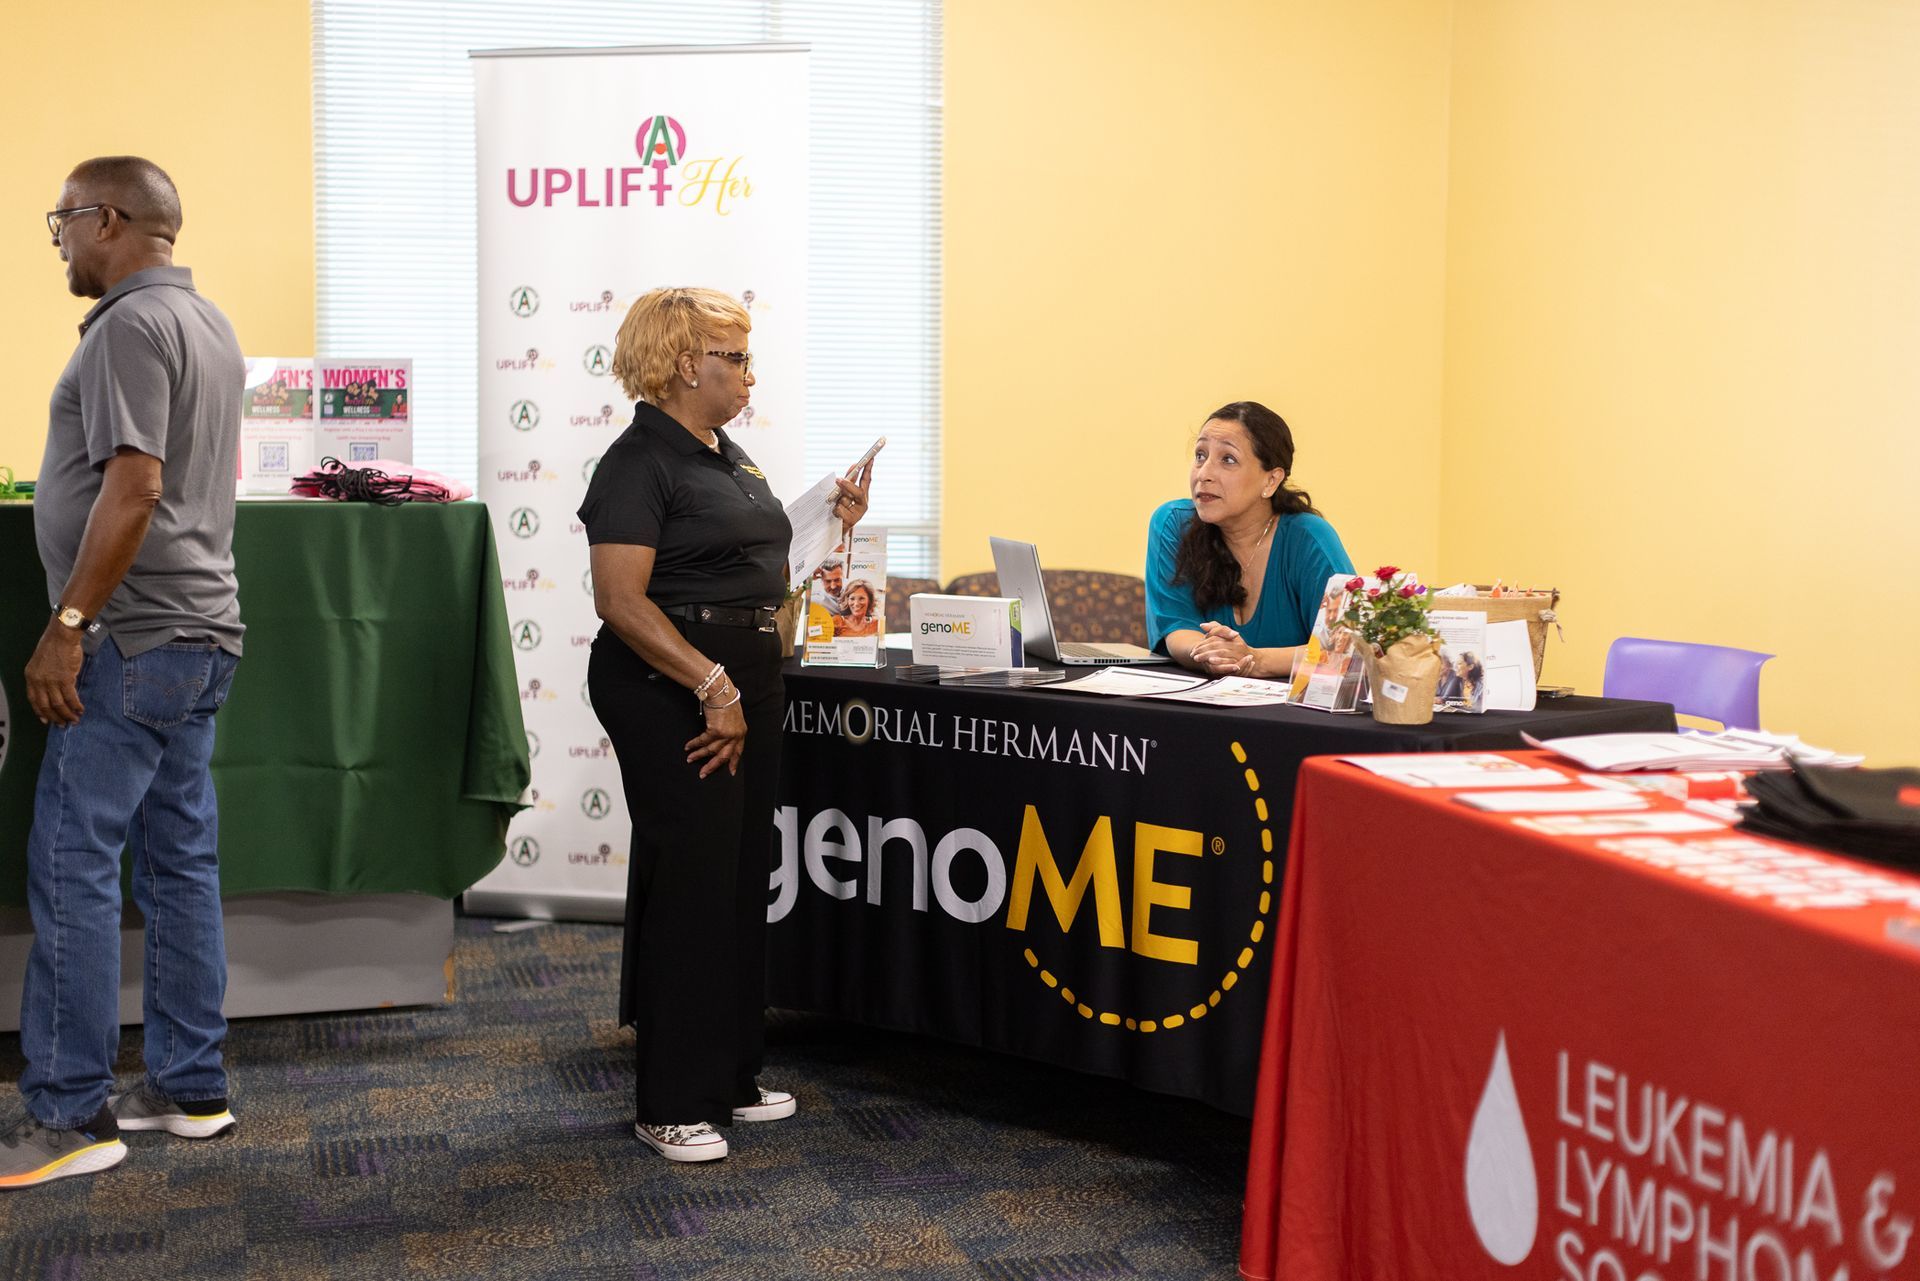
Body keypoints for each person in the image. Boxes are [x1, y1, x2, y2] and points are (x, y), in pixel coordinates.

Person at [579, 287, 871, 1163]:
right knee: (692, 884)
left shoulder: (730, 456)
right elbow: (621, 600)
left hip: (746, 680)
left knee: (743, 880)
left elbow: (761, 572)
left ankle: (732, 1074)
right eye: (734, 357)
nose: (749, 373)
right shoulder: (637, 462)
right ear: (681, 363)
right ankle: (669, 1097)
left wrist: (829, 528)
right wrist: (711, 684)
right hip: (668, 687)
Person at [1, 157, 245, 1190]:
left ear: (108, 219)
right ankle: (191, 1087)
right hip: (196, 637)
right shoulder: (207, 321)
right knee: (179, 861)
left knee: (74, 862)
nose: (57, 237)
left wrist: (68, 622)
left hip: (132, 641)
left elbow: (135, 486)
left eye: (64, 219)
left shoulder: (129, 329)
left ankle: (66, 1113)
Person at [1145, 401, 1355, 679]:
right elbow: (1176, 627)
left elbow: (1345, 648)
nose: (1204, 474)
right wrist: (1214, 654)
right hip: (1203, 704)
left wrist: (1257, 660)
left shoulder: (1309, 538)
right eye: (1200, 455)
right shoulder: (1173, 522)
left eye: (1227, 459)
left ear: (1271, 481)